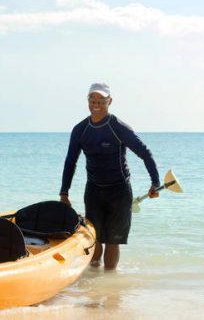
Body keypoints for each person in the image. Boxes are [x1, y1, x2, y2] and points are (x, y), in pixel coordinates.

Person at [58, 82, 160, 270]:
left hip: (119, 192)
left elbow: (145, 153)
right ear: (88, 101)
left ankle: (112, 289)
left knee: (113, 241)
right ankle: (94, 286)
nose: (96, 104)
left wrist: (155, 182)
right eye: (92, 100)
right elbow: (70, 161)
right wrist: (64, 193)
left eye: (101, 101)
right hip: (94, 190)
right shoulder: (80, 130)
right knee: (94, 238)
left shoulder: (118, 127)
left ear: (109, 101)